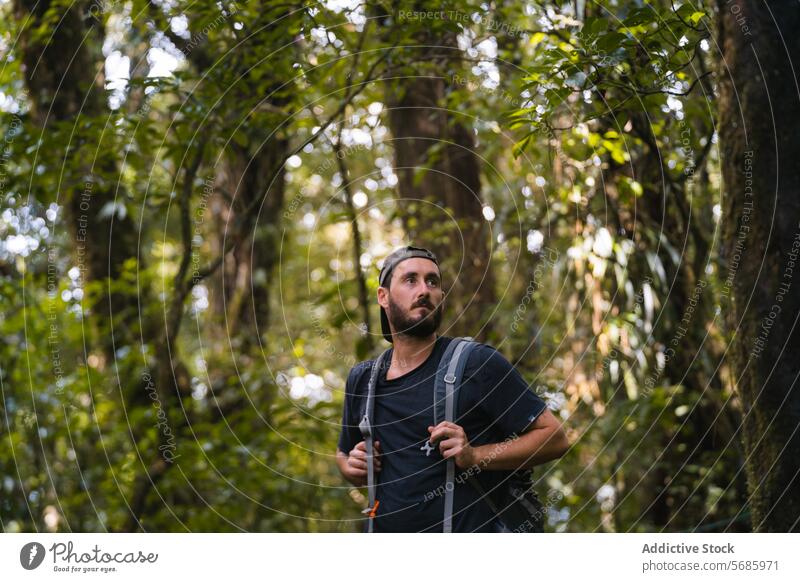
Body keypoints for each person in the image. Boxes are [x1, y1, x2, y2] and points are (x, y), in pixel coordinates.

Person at [336, 245, 569, 532]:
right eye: (410, 280)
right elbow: (343, 453)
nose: (424, 290)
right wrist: (352, 466)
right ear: (383, 297)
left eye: (432, 281)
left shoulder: (477, 363)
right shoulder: (363, 381)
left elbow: (554, 438)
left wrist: (475, 456)